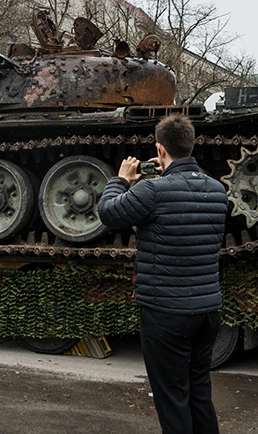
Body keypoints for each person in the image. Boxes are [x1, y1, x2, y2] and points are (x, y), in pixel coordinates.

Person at [97, 115, 229, 434]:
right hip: (207, 310)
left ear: (160, 147)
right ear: (191, 144)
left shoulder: (153, 191)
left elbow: (107, 212)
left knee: (172, 398)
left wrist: (122, 179)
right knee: (199, 390)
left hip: (166, 313)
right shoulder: (216, 190)